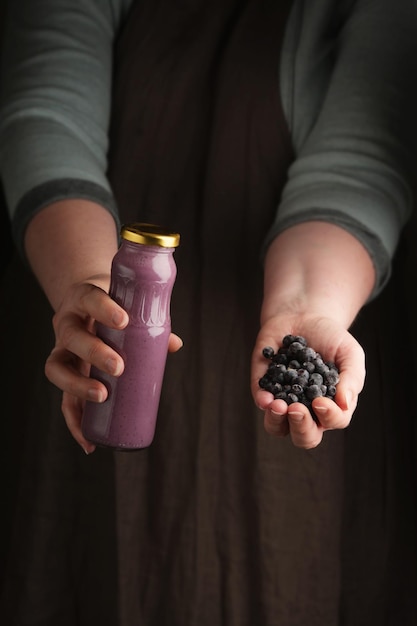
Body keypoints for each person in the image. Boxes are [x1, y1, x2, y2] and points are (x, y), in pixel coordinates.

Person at [0, 0, 416, 624]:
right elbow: (45, 110)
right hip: (90, 323)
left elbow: (363, 159)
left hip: (277, 311)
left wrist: (309, 305)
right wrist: (88, 285)